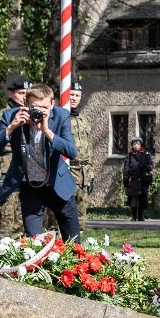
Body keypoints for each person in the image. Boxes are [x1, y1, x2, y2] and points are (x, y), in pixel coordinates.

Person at [0, 82, 80, 239]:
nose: (40, 112)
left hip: (58, 184)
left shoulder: (61, 115)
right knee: (34, 241)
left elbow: (71, 151)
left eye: (45, 108)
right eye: (35, 107)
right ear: (25, 104)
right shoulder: (10, 116)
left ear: (52, 104)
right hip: (30, 187)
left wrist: (47, 131)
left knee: (74, 242)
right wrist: (11, 127)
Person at [0, 77, 32, 225]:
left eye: (28, 93)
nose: (25, 97)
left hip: (27, 171)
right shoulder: (2, 116)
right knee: (7, 220)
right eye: (21, 93)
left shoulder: (34, 115)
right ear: (10, 93)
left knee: (25, 220)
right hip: (6, 170)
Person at [67, 85, 94, 230]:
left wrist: (92, 174)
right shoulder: (60, 118)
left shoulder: (83, 120)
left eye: (77, 96)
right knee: (68, 206)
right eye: (71, 95)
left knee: (82, 206)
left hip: (84, 171)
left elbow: (89, 148)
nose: (73, 98)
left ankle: (80, 243)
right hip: (69, 168)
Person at [122, 137, 155, 222]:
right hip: (133, 179)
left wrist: (149, 168)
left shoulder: (146, 153)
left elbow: (150, 163)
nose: (136, 146)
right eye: (134, 144)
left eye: (138, 144)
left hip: (143, 179)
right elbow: (126, 166)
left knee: (143, 198)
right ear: (132, 145)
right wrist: (125, 176)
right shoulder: (129, 155)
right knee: (133, 198)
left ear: (140, 145)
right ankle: (133, 216)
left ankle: (140, 216)